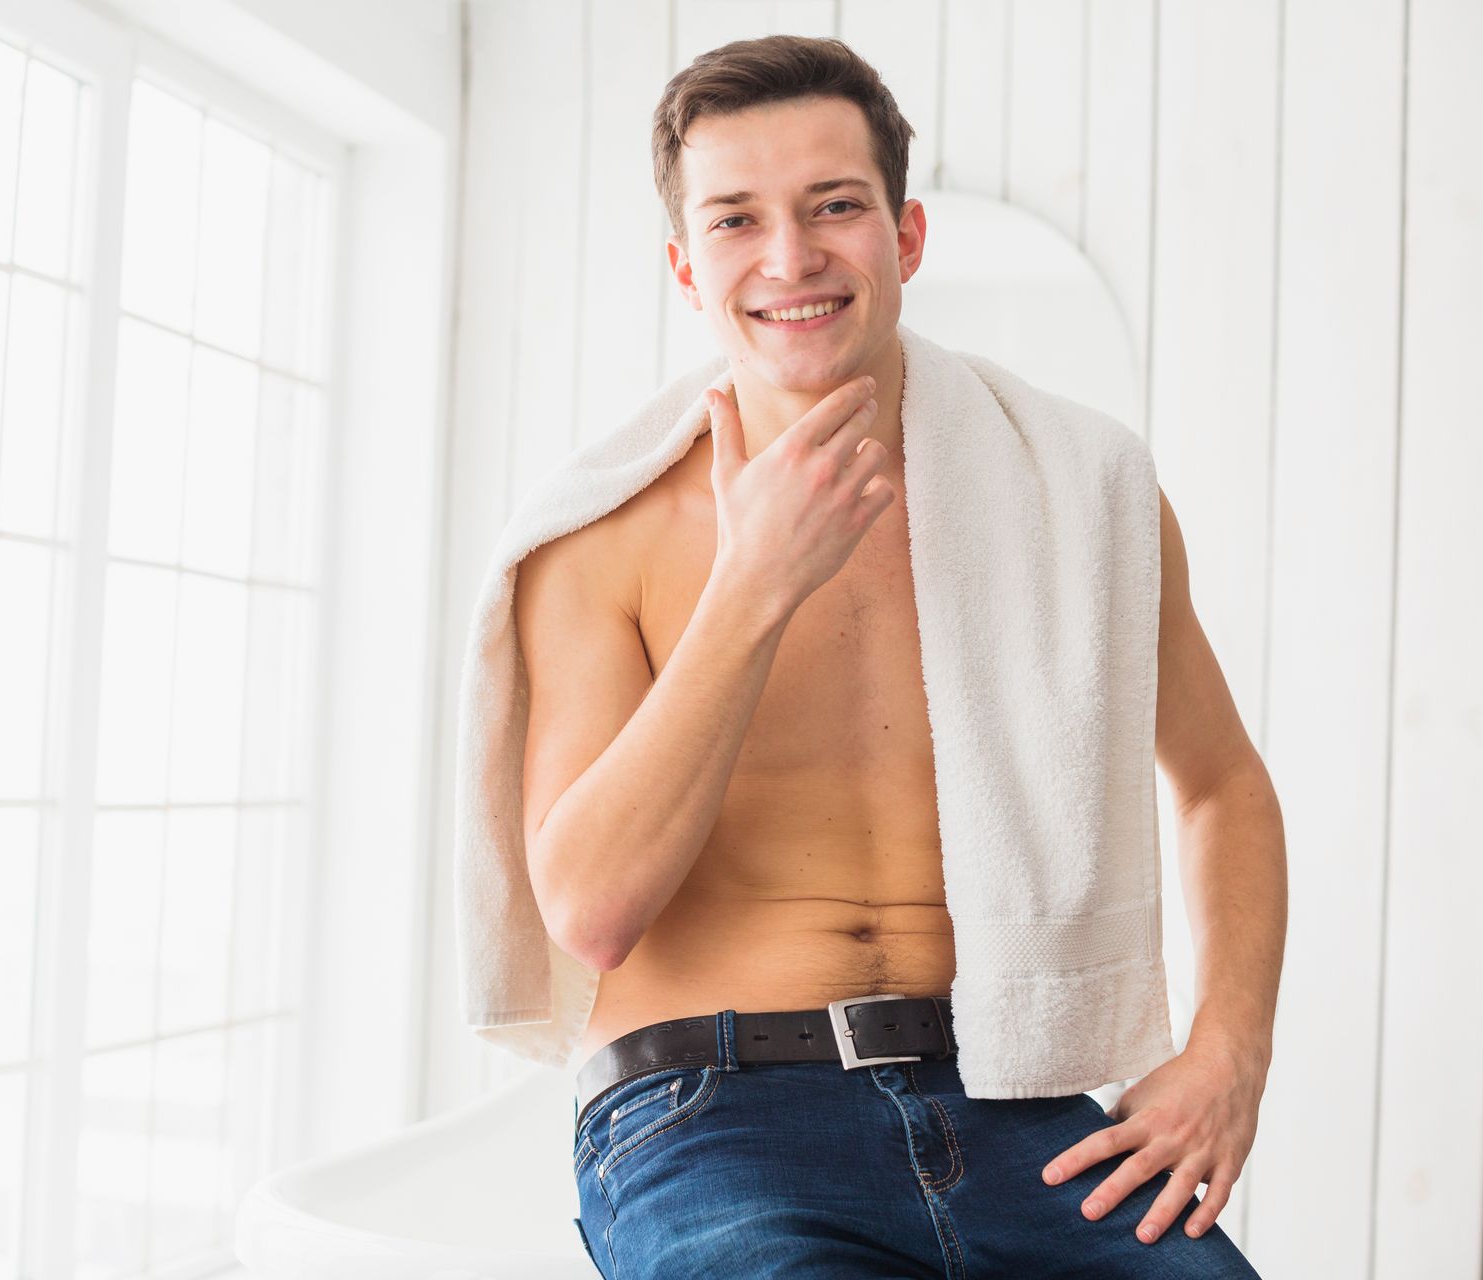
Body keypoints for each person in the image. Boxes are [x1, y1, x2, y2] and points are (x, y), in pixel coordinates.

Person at [510, 33, 1283, 1278]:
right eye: (736, 221)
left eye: (834, 207)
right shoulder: (601, 541)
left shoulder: (1076, 488)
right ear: (684, 267)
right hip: (709, 1114)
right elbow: (590, 909)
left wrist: (1226, 1051)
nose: (791, 258)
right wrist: (752, 587)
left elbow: (1222, 783)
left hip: (1012, 1096)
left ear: (905, 236)